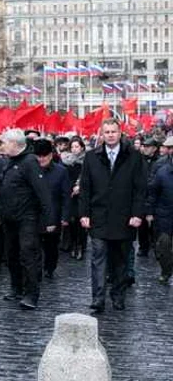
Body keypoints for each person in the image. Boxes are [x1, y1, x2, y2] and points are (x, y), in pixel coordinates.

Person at [79, 119, 147, 313]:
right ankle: (98, 298)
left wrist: (137, 214)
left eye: (113, 131)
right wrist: (84, 213)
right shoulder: (91, 157)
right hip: (99, 216)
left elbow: (140, 189)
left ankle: (118, 295)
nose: (110, 135)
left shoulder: (133, 157)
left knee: (120, 260)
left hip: (124, 217)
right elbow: (85, 188)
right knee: (98, 258)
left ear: (120, 133)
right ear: (102, 133)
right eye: (107, 131)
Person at [0, 129, 54, 310]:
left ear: (14, 144)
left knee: (28, 255)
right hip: (10, 217)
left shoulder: (30, 162)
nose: (1, 146)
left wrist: (49, 219)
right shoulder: (10, 162)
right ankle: (16, 287)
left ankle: (31, 294)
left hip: (27, 218)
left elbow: (43, 191)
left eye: (4, 142)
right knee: (11, 254)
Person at [33, 139, 70, 279]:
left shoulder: (61, 172)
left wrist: (65, 217)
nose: (41, 159)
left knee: (51, 246)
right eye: (39, 156)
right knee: (34, 245)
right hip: (34, 214)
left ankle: (50, 267)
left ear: (50, 155)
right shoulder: (31, 170)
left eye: (44, 156)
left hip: (53, 215)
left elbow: (66, 196)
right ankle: (36, 269)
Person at [146, 136, 173, 285]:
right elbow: (153, 192)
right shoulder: (161, 170)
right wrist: (149, 212)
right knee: (164, 245)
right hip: (165, 214)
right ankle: (166, 270)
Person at [62, 137, 87, 260]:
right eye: (72, 147)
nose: (74, 149)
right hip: (70, 194)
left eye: (77, 146)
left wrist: (80, 186)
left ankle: (81, 246)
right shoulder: (66, 161)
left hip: (82, 195)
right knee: (71, 222)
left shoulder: (87, 161)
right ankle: (73, 245)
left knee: (81, 222)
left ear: (82, 147)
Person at [137, 137, 159, 257]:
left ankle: (156, 247)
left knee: (155, 225)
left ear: (154, 148)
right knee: (142, 225)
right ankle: (143, 246)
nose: (145, 149)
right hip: (142, 196)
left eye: (148, 146)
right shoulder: (140, 161)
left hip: (155, 197)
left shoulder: (159, 162)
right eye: (144, 146)